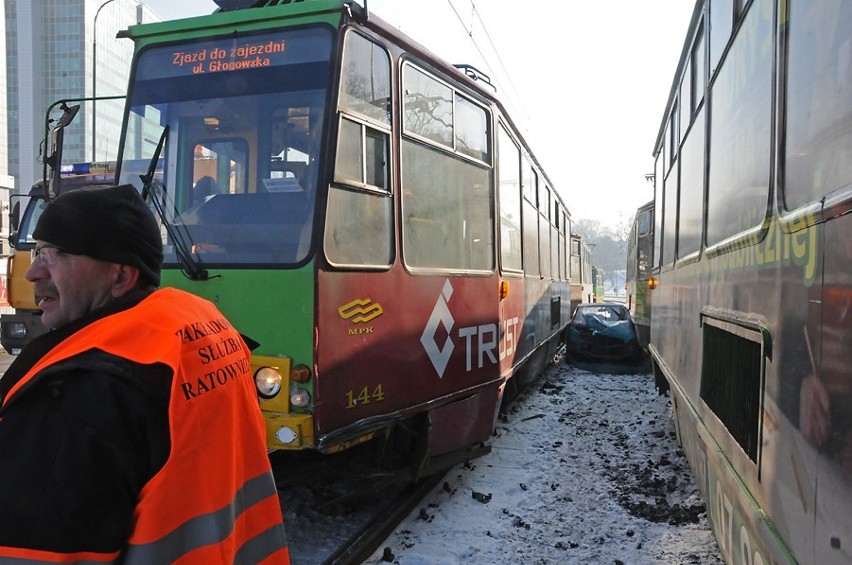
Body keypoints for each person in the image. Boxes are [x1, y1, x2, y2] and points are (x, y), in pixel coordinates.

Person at [0, 185, 290, 563]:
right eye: (38, 251)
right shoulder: (205, 334)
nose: (34, 272)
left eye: (59, 254)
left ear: (120, 277)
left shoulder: (83, 395)